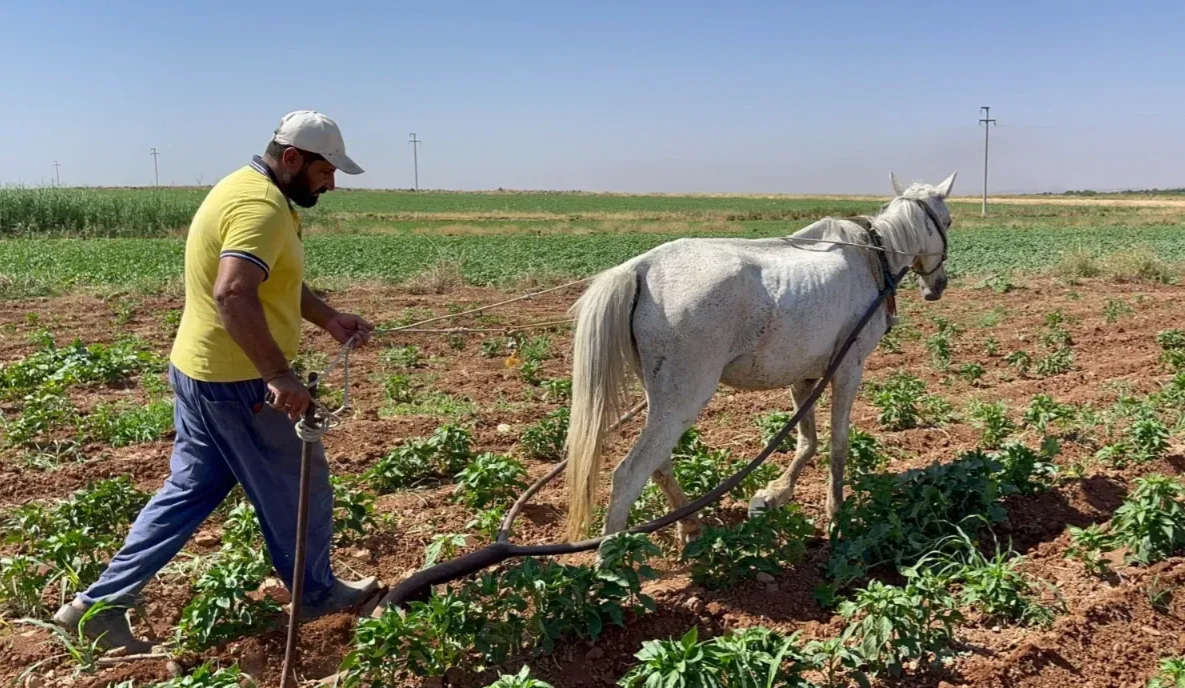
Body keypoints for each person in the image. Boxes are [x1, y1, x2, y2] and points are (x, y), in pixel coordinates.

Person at [53, 111, 379, 652]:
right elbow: (233, 293)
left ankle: (96, 608)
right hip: (240, 383)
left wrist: (326, 318)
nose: (332, 182)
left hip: (200, 372)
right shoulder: (261, 207)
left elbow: (269, 280)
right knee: (303, 487)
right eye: (325, 170)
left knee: (190, 491)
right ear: (293, 159)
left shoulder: (244, 187)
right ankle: (317, 594)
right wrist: (278, 374)